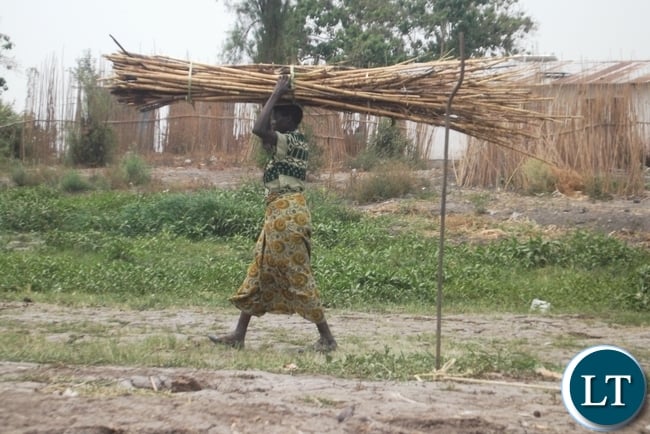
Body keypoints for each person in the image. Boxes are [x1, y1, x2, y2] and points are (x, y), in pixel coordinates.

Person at [208, 75, 338, 352]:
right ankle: (238, 336)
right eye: (274, 117)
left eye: (279, 117)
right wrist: (268, 97)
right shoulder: (284, 143)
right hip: (278, 216)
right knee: (259, 273)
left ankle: (327, 338)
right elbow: (264, 129)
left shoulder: (293, 140)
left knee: (297, 273)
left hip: (288, 217)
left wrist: (277, 93)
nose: (274, 121)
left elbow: (258, 128)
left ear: (291, 120)